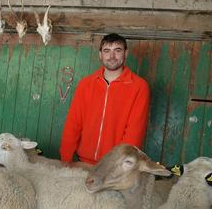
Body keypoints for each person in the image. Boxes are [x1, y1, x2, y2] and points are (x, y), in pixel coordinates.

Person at [59, 33, 150, 166]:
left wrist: (119, 164)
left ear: (126, 53)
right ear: (100, 54)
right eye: (107, 51)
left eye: (117, 50)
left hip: (114, 166)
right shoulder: (85, 84)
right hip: (82, 161)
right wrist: (65, 160)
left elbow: (134, 133)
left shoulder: (139, 86)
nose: (112, 56)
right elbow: (73, 124)